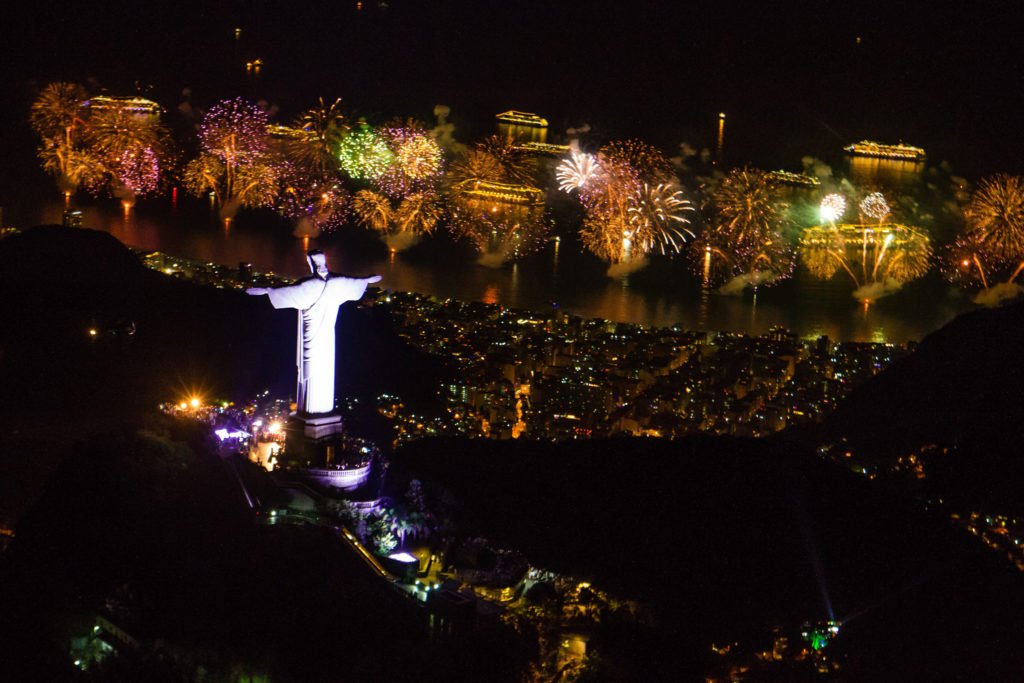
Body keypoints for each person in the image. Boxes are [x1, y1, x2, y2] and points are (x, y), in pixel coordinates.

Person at [247, 251, 381, 415]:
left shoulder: (326, 284)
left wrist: (366, 281)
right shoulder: (320, 285)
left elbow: (351, 283)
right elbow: (351, 283)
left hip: (323, 335)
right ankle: (312, 409)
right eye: (318, 264)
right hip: (316, 334)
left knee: (318, 366)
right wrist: (268, 291)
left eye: (320, 264)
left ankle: (315, 410)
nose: (321, 268)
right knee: (311, 368)